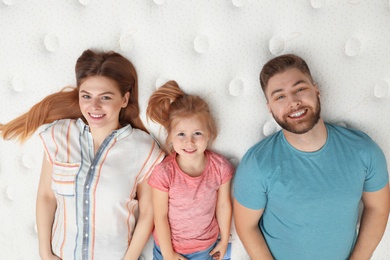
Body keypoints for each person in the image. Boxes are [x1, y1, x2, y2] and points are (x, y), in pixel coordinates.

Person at [0, 49, 164, 260]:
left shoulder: (143, 148)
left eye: (105, 97)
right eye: (86, 96)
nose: (94, 106)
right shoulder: (59, 135)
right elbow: (46, 196)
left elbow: (148, 213)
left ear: (124, 99)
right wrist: (45, 252)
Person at [233, 54, 390, 260]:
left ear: (316, 90)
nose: (293, 102)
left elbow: (378, 207)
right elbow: (246, 227)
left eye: (300, 89)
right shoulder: (256, 164)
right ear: (270, 108)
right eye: (280, 96)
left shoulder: (364, 150)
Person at [146, 80, 234, 260]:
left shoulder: (220, 167)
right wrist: (169, 254)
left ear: (208, 134)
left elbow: (223, 205)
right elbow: (160, 216)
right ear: (171, 136)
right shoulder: (164, 173)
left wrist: (224, 240)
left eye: (197, 133)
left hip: (206, 247)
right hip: (168, 248)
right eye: (181, 134)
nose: (189, 142)